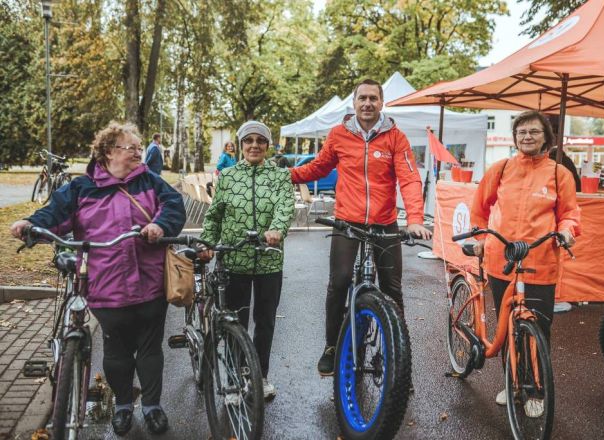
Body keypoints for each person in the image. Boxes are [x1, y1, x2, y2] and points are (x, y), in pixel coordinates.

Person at [10, 122, 186, 436]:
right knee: (117, 352)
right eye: (129, 147)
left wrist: (160, 225)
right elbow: (55, 214)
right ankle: (122, 405)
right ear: (108, 152)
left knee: (149, 349)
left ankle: (152, 406)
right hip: (106, 285)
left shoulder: (151, 181)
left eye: (138, 147)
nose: (137, 152)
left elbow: (173, 206)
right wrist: (31, 224)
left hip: (150, 283)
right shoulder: (80, 188)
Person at [290, 79, 432, 376]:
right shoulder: (339, 134)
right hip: (348, 221)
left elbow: (408, 178)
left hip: (384, 223)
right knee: (339, 282)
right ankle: (331, 346)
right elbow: (318, 167)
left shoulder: (396, 137)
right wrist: (285, 176)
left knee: (392, 288)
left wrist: (415, 219)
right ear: (353, 104)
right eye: (362, 98)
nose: (367, 103)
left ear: (382, 103)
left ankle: (398, 354)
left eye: (373, 98)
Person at [467, 110, 581, 413]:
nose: (527, 137)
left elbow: (569, 214)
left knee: (537, 329)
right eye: (522, 132)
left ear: (546, 137)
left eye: (534, 132)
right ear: (515, 137)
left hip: (540, 261)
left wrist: (567, 232)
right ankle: (511, 382)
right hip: (501, 259)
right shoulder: (501, 168)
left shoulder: (559, 173)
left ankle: (534, 391)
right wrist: (480, 241)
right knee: (507, 326)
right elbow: (479, 208)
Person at [199, 120, 294, 400]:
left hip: (269, 261)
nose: (254, 145)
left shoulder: (279, 177)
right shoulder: (227, 177)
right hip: (234, 259)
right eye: (248, 140)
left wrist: (277, 229)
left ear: (267, 145)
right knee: (234, 322)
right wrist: (208, 243)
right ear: (240, 145)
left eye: (260, 140)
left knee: (265, 322)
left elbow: (284, 206)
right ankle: (233, 379)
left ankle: (259, 376)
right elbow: (215, 215)